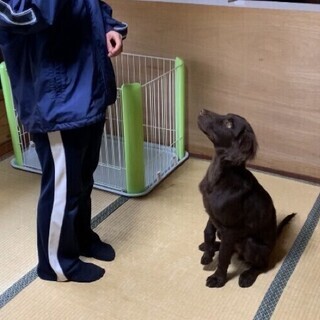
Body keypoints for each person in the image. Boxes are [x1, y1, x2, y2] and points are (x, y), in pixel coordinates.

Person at [0, 1, 127, 283]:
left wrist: (109, 27)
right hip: (55, 97)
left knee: (83, 178)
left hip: (89, 85)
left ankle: (81, 238)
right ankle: (56, 262)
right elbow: (23, 16)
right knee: (62, 187)